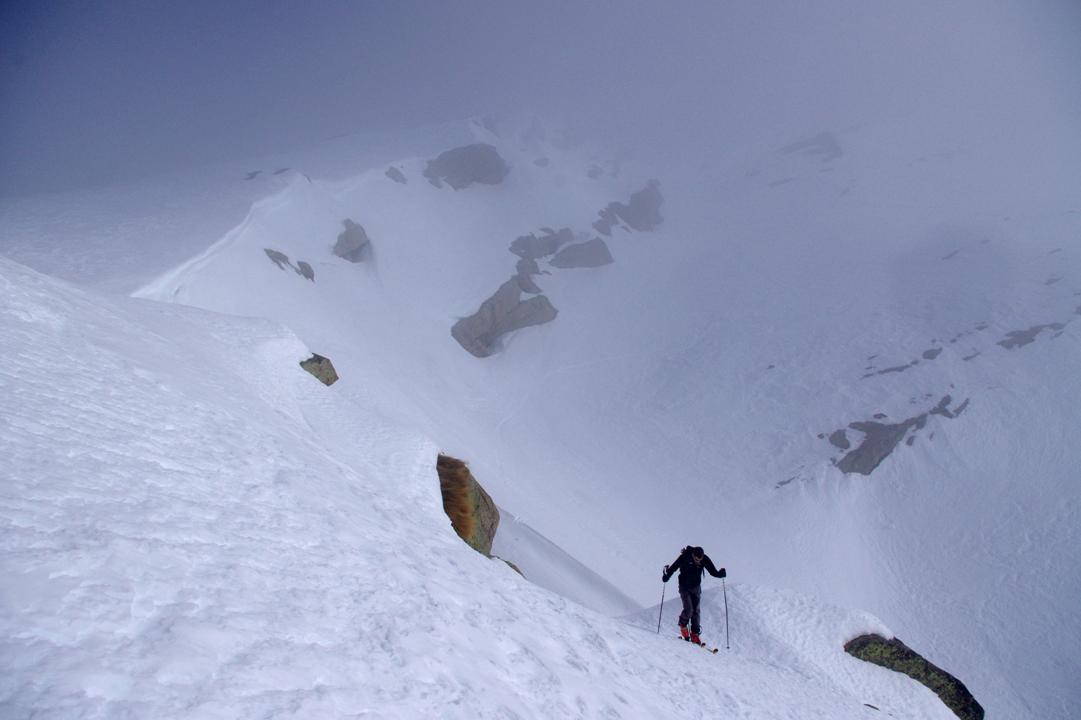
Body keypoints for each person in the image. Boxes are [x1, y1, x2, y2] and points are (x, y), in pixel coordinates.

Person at [662, 545, 726, 645]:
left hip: (696, 587)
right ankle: (683, 626)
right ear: (693, 555)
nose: (698, 561)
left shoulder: (704, 559)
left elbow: (713, 571)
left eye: (700, 559)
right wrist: (667, 576)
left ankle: (695, 634)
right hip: (684, 586)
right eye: (696, 558)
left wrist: (720, 574)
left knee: (696, 610)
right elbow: (674, 567)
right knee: (689, 610)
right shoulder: (685, 556)